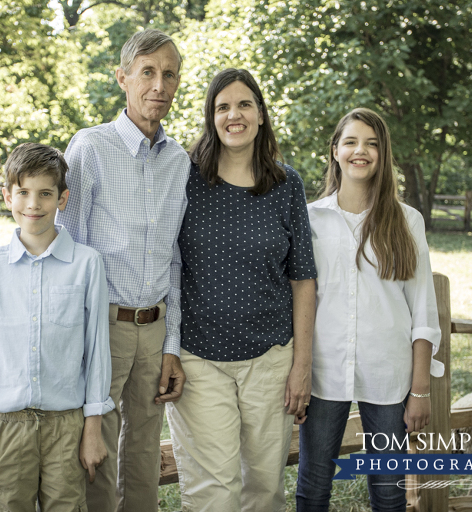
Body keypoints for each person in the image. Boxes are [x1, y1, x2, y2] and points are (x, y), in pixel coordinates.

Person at [166, 68, 317, 512]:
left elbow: (304, 278)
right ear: (211, 117)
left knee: (264, 489)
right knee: (213, 492)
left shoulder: (287, 184)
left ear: (261, 115)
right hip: (198, 359)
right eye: (223, 106)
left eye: (245, 104)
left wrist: (301, 365)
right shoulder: (185, 178)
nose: (235, 115)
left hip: (270, 361)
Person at [55, 29, 189, 512]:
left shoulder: (179, 161)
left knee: (145, 452)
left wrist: (171, 345)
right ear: (123, 78)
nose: (159, 84)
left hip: (154, 331)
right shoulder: (90, 148)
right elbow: (63, 245)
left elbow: (175, 257)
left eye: (169, 74)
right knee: (95, 453)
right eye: (147, 72)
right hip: (102, 326)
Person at [295, 108, 444, 512]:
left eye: (372, 144)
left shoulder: (407, 221)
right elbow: (299, 300)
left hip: (389, 376)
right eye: (351, 142)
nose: (361, 151)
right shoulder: (310, 219)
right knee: (313, 485)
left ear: (383, 155)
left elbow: (423, 313)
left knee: (390, 490)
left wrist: (419, 390)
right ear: (335, 151)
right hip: (324, 373)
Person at [0, 142, 114, 511]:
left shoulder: (87, 264)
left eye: (45, 194)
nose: (33, 204)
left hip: (66, 424)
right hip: (5, 422)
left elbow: (96, 351)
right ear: (7, 196)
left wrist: (92, 429)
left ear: (62, 199)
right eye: (23, 193)